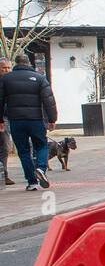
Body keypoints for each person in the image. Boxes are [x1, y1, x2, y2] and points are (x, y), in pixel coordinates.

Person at [0, 53, 57, 191]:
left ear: (15, 63)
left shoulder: (6, 79)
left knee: (23, 151)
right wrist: (52, 119)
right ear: (29, 63)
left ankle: (32, 182)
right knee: (41, 145)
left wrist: (0, 119)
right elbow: (49, 100)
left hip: (16, 121)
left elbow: (0, 101)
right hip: (36, 119)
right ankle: (41, 168)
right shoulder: (39, 78)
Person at [0, 58, 13, 186]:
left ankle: (4, 174)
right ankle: (4, 175)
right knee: (5, 146)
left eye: (8, 68)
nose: (7, 70)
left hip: (9, 117)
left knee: (6, 147)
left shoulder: (12, 81)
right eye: (4, 68)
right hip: (2, 118)